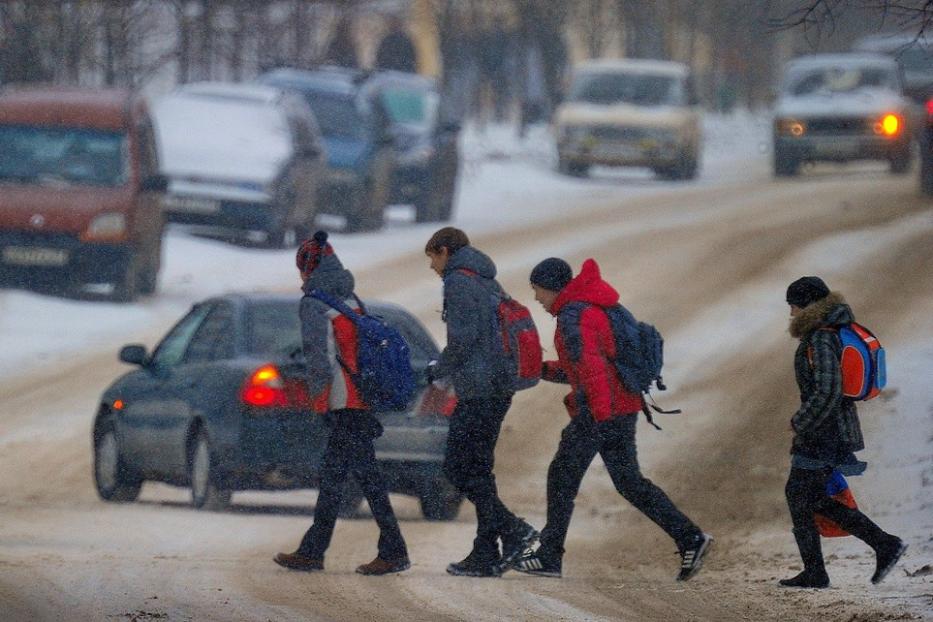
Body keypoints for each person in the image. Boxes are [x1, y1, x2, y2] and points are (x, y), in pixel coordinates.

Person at [513, 257, 711, 580]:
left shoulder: (574, 316)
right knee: (629, 482)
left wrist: (598, 418)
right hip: (619, 408)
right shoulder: (586, 308)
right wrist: (543, 370)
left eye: (538, 291)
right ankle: (690, 537)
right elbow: (584, 367)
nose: (537, 298)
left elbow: (593, 372)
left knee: (562, 476)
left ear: (552, 288)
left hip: (601, 412)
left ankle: (549, 556)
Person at [274, 231, 410, 576]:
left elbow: (319, 360)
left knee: (364, 477)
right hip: (362, 399)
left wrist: (319, 403)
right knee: (340, 476)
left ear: (307, 269)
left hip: (342, 401)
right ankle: (314, 549)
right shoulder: (352, 299)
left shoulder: (315, 303)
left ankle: (391, 549)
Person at [424, 227, 538, 577]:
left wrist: (438, 370)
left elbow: (463, 340)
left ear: (445, 251)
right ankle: (486, 552)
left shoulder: (459, 280)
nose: (432, 267)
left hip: (480, 389)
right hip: (497, 386)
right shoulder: (485, 278)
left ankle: (514, 530)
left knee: (458, 468)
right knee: (478, 471)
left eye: (432, 258)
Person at [779, 276, 906, 588]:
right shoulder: (828, 331)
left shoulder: (821, 338)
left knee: (800, 494)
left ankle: (881, 545)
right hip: (828, 429)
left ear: (806, 305)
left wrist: (801, 421)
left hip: (824, 432)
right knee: (808, 497)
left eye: (793, 305)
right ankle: (826, 567)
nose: (791, 313)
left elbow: (828, 391)